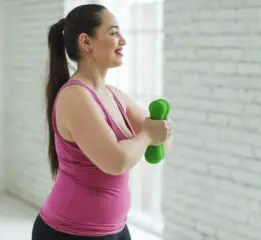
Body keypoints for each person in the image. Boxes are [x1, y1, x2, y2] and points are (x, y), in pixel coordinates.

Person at [31, 4, 173, 240]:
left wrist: (159, 131)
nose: (123, 41)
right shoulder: (74, 96)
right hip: (68, 232)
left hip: (115, 229)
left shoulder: (115, 96)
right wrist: (147, 135)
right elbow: (116, 160)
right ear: (86, 42)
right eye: (114, 32)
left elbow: (160, 142)